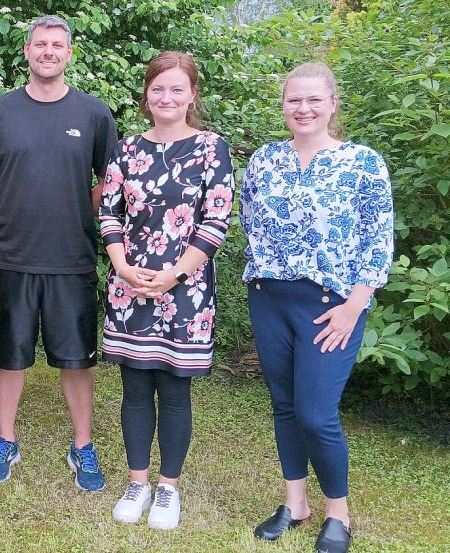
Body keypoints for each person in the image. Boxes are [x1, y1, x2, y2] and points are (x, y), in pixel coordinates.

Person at [241, 62, 393, 553]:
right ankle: (295, 504)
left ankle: (338, 514)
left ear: (332, 104)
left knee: (316, 413)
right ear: (283, 105)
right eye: (293, 100)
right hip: (270, 298)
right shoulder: (265, 159)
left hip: (333, 305)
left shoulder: (362, 163)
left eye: (313, 100)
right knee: (285, 406)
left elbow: (377, 240)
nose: (302, 109)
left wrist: (355, 304)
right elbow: (250, 222)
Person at [0, 15, 117, 492]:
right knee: (9, 356)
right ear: (27, 51)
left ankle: (82, 445)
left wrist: (78, 209)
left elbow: (108, 182)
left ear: (69, 54)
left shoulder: (95, 114)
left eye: (58, 45)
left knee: (77, 359)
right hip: (10, 257)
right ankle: (5, 439)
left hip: (71, 256)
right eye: (41, 44)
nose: (49, 52)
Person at [99, 51, 235, 530]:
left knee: (175, 394)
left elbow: (216, 221)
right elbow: (110, 213)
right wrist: (123, 267)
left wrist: (174, 274)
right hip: (130, 287)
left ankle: (168, 488)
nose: (167, 97)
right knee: (135, 391)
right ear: (147, 95)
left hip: (185, 291)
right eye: (158, 88)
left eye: (177, 89)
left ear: (192, 94)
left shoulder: (212, 149)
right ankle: (137, 481)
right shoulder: (127, 148)